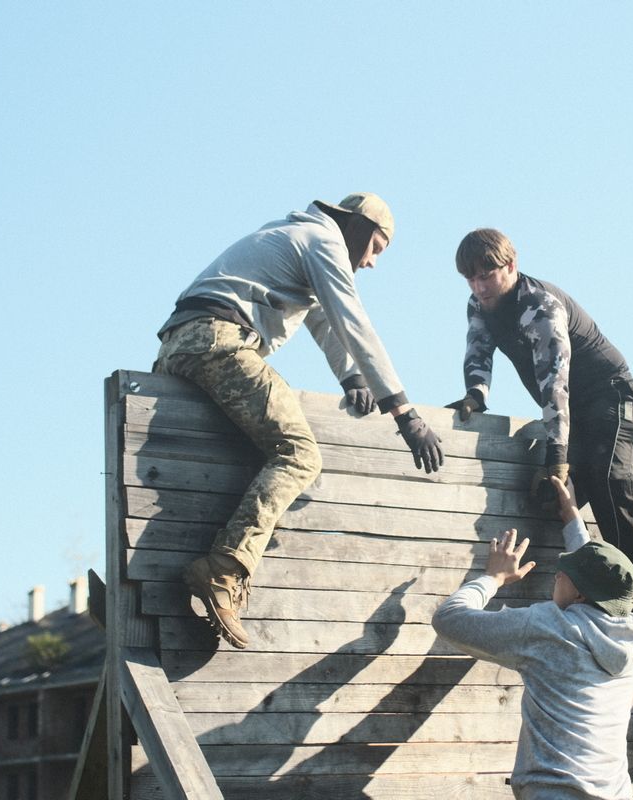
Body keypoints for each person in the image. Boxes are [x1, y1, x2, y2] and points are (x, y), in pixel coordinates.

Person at [154, 193, 444, 649]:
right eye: (377, 248)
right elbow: (354, 323)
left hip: (180, 341)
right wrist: (404, 412)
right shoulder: (324, 243)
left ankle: (152, 570)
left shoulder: (294, 236)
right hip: (218, 339)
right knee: (299, 455)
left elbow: (324, 322)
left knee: (217, 455)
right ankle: (224, 569)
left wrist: (352, 377)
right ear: (358, 228)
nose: (371, 264)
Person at [447, 228, 633, 640]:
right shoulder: (478, 305)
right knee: (549, 500)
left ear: (510, 265)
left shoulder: (540, 305)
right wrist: (475, 396)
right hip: (574, 416)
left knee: (608, 476)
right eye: (470, 278)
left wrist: (558, 455)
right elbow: (478, 350)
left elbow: (554, 386)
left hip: (611, 398)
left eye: (487, 274)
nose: (479, 286)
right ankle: (583, 599)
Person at [432, 476, 633, 800]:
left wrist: (493, 578)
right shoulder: (632, 634)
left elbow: (449, 620)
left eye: (564, 574)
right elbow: (600, 579)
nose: (556, 574)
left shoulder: (549, 627)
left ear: (578, 595)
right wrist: (572, 516)